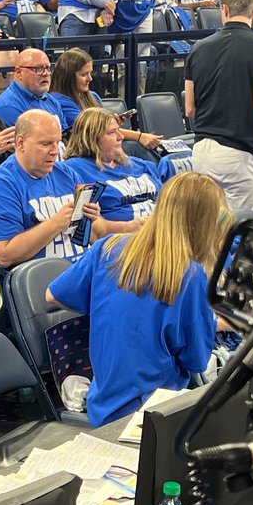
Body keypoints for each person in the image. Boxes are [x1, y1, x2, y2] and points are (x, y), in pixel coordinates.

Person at [46, 173, 225, 426]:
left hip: (104, 406)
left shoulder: (108, 247)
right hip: (157, 412)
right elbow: (195, 360)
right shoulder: (191, 274)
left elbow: (53, 294)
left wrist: (106, 306)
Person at [184, 0, 253, 212]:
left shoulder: (198, 48)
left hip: (202, 153)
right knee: (247, 234)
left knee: (205, 231)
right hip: (241, 152)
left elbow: (189, 109)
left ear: (224, 8)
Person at [0, 108, 107, 267]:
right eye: (46, 144)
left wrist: (91, 218)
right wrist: (55, 224)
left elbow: (98, 235)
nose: (55, 151)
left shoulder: (67, 174)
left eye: (57, 143)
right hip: (41, 282)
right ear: (21, 143)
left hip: (82, 269)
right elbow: (4, 255)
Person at [62, 107, 161, 228]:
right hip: (121, 240)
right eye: (112, 132)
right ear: (91, 138)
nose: (121, 137)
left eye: (118, 130)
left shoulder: (140, 164)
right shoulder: (75, 169)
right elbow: (90, 228)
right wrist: (129, 228)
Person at [50, 48, 161, 151]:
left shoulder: (93, 96)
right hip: (88, 151)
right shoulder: (59, 101)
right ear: (68, 77)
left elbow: (105, 128)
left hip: (106, 145)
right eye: (84, 74)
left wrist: (115, 122)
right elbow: (95, 130)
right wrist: (139, 136)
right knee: (134, 147)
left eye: (90, 73)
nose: (90, 79)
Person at [0, 50, 68, 129]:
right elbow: (24, 141)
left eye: (48, 68)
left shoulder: (52, 101)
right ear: (19, 73)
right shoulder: (7, 108)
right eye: (39, 68)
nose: (46, 74)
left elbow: (65, 136)